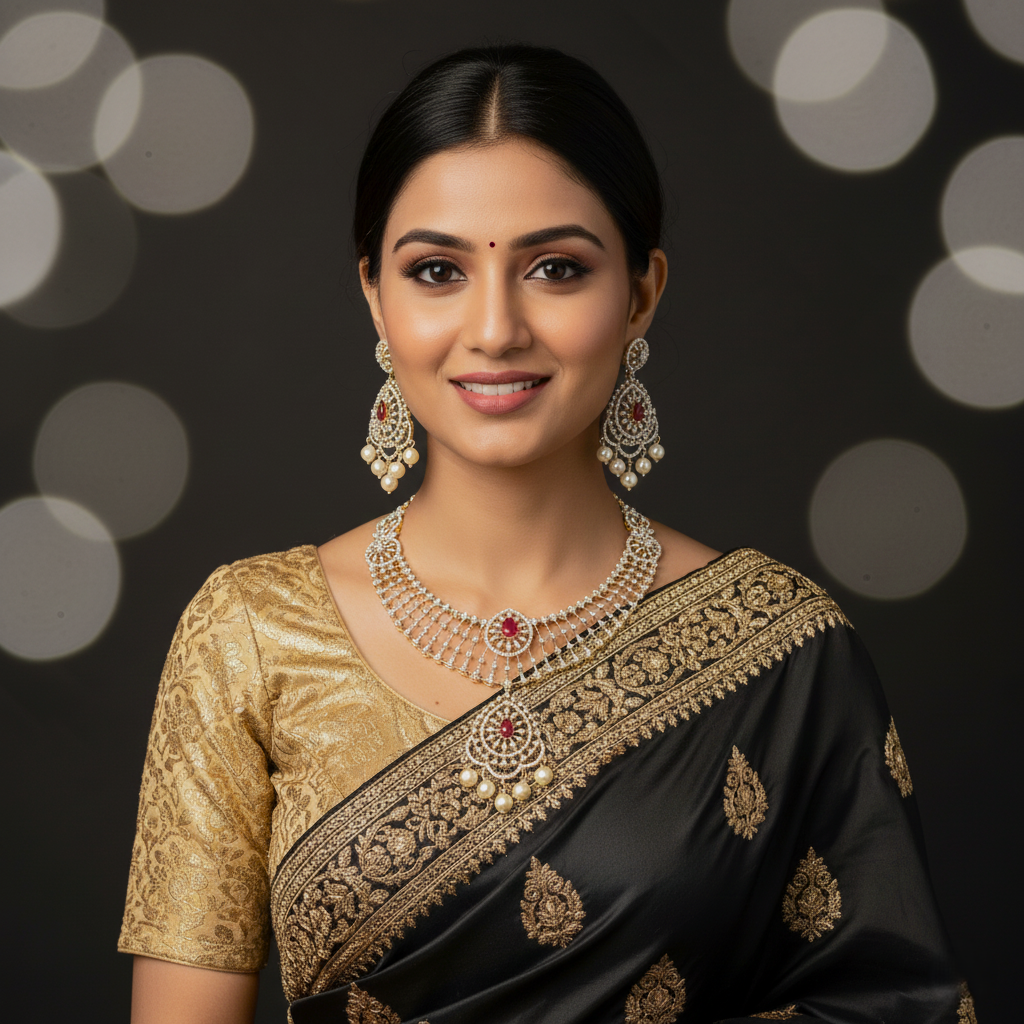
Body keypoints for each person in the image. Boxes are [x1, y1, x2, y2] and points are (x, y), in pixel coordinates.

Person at [119, 44, 974, 1024]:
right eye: (436, 269)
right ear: (374, 296)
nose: (493, 328)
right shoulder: (249, 632)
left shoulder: (782, 651)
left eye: (555, 269)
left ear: (641, 292)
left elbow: (896, 1003)